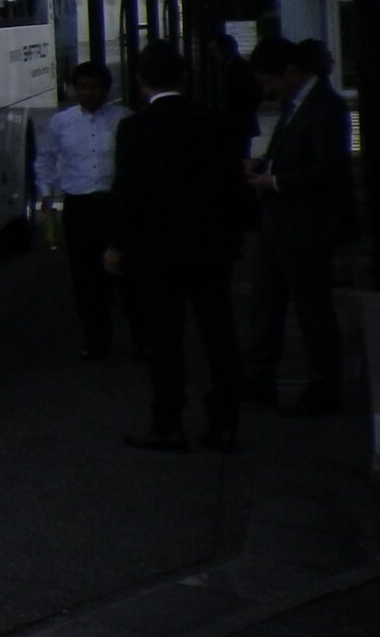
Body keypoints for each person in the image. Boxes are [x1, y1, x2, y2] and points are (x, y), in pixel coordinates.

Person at [104, 42, 244, 452]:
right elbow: (232, 188)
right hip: (209, 247)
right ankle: (224, 423)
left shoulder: (135, 128)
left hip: (157, 250)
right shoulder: (214, 123)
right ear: (184, 77)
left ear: (141, 80)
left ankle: (168, 423)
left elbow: (127, 191)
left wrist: (116, 244)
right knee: (218, 334)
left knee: (165, 338)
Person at [244, 36, 355, 414]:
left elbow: (330, 169)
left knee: (311, 308)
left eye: (269, 81)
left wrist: (275, 180)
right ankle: (260, 377)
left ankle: (323, 384)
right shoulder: (300, 104)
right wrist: (265, 166)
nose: (268, 90)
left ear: (291, 72)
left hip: (306, 224)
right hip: (282, 221)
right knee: (268, 302)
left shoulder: (326, 108)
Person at [36, 60, 127, 359]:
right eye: (83, 87)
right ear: (74, 90)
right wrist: (46, 195)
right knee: (85, 277)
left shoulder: (123, 119)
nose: (89, 93)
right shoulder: (61, 122)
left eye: (95, 87)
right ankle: (97, 340)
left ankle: (140, 336)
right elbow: (45, 158)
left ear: (107, 90)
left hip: (114, 204)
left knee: (124, 273)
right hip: (80, 206)